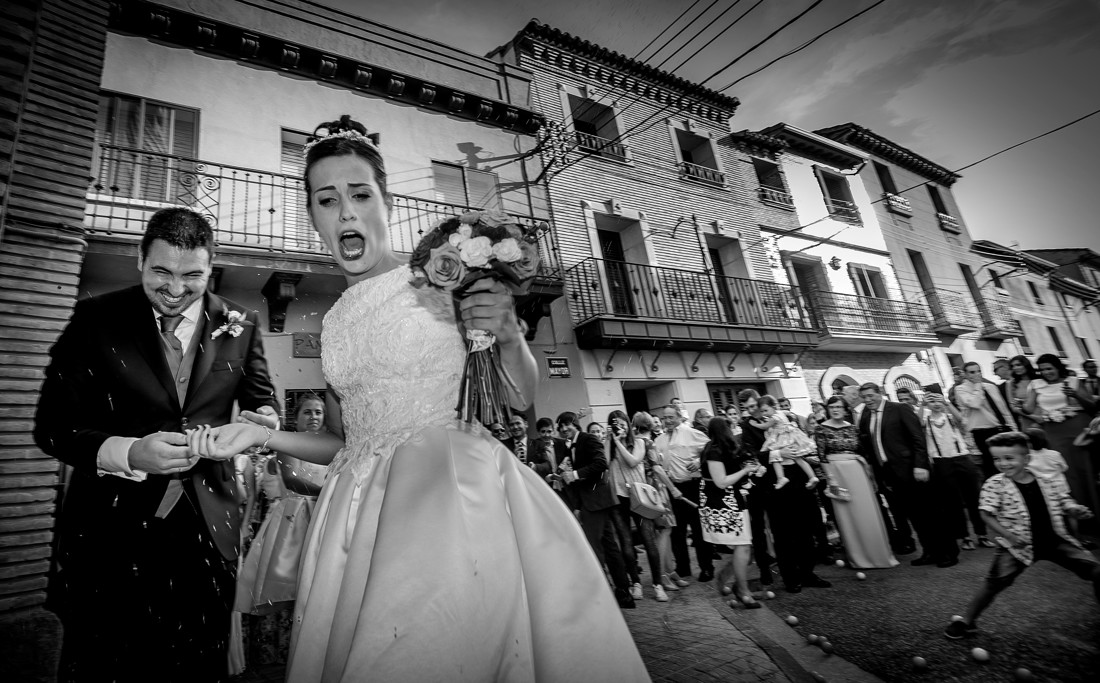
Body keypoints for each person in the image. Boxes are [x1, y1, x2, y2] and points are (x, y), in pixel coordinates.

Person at [191, 117, 647, 680]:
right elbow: (344, 441)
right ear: (311, 215)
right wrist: (264, 434)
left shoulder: (439, 281)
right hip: (354, 516)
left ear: (385, 202)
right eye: (326, 200)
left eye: (361, 195)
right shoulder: (332, 324)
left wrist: (507, 334)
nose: (346, 212)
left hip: (448, 494)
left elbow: (518, 396)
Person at [34, 207, 279, 682]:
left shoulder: (241, 323)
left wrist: (263, 421)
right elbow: (52, 426)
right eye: (161, 271)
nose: (174, 288)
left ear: (211, 268)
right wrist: (128, 452)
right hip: (110, 529)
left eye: (193, 276)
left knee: (198, 663)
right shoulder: (94, 319)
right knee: (106, 661)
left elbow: (262, 405)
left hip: (208, 528)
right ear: (139, 258)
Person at [944, 431, 1100, 640]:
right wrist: (1009, 536)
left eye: (1009, 458)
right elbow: (985, 514)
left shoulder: (1046, 480)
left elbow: (1064, 500)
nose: (1003, 464)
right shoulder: (994, 484)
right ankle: (966, 621)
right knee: (993, 583)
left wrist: (1074, 509)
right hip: (1018, 546)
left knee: (1097, 571)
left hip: (1055, 541)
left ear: (1026, 459)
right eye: (997, 459)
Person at [235, 394, 330, 669]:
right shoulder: (288, 447)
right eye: (307, 412)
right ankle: (277, 654)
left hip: (321, 518)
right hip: (293, 520)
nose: (314, 417)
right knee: (284, 584)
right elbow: (296, 480)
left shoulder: (333, 447)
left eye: (319, 412)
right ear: (296, 418)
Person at [740, 392, 831, 593]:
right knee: (783, 533)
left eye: (756, 405)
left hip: (798, 478)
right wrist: (777, 453)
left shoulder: (782, 416)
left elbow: (798, 438)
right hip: (774, 484)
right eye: (749, 408)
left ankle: (808, 573)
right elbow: (750, 455)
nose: (754, 410)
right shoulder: (747, 427)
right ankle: (791, 578)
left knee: (806, 528)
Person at [557, 411, 637, 609]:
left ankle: (601, 597)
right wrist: (576, 504)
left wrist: (575, 474)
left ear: (576, 424)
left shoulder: (588, 439)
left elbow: (601, 464)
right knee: (609, 547)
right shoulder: (569, 446)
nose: (564, 429)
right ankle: (623, 592)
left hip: (597, 500)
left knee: (594, 548)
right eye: (561, 427)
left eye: (567, 425)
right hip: (590, 502)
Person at [857, 382, 941, 562]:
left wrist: (921, 465)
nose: (868, 400)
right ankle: (928, 552)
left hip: (911, 469)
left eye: (871, 395)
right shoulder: (865, 417)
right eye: (864, 397)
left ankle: (945, 553)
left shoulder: (899, 408)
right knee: (912, 515)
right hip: (887, 473)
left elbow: (918, 438)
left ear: (879, 393)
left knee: (928, 513)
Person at [814, 396, 898, 569]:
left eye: (839, 407)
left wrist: (871, 475)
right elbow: (822, 456)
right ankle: (858, 557)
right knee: (846, 515)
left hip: (858, 472)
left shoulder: (853, 428)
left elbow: (863, 452)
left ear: (845, 410)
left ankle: (878, 554)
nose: (835, 410)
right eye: (832, 407)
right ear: (827, 409)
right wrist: (831, 479)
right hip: (836, 474)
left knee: (867, 511)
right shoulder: (821, 429)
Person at [1024, 354, 1100, 528]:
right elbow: (1028, 408)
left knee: (1085, 469)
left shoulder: (1072, 381)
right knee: (1065, 471)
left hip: (1077, 427)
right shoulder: (1036, 385)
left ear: (1058, 367)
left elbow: (1091, 406)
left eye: (1049, 368)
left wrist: (1074, 394)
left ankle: (1095, 513)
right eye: (1042, 369)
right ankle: (1079, 517)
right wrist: (1021, 405)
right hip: (1053, 430)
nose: (1046, 372)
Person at [700, 417, 764, 609]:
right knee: (743, 545)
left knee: (743, 545)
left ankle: (740, 587)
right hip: (722, 503)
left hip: (730, 501)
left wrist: (752, 469)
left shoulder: (721, 448)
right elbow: (721, 481)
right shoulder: (713, 450)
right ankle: (742, 590)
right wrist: (745, 471)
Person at [605, 410, 669, 602]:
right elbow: (605, 463)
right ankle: (636, 583)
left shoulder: (639, 442)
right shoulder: (610, 443)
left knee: (648, 540)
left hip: (639, 497)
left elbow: (633, 462)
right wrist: (610, 439)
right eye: (615, 424)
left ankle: (657, 584)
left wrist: (619, 442)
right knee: (626, 542)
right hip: (618, 497)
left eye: (622, 423)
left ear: (628, 424)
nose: (620, 427)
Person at [922, 393, 991, 555]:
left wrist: (946, 402)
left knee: (974, 497)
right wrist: (922, 405)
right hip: (941, 461)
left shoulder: (950, 417)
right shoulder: (925, 420)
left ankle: (982, 534)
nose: (936, 404)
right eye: (932, 402)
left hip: (962, 458)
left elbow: (962, 421)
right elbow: (917, 424)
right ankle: (965, 537)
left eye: (938, 401)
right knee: (953, 501)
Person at [655, 405, 714, 582]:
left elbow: (710, 448)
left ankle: (706, 568)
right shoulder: (659, 440)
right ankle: (683, 568)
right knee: (676, 531)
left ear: (679, 417)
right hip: (672, 489)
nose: (667, 421)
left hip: (693, 486)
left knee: (699, 530)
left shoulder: (691, 433)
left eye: (671, 417)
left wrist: (698, 461)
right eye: (665, 418)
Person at [632, 412, 683, 592]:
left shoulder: (636, 442)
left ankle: (670, 571)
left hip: (646, 490)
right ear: (649, 425)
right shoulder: (648, 443)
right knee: (664, 531)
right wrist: (673, 488)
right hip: (657, 490)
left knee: (662, 531)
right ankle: (662, 574)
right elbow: (657, 468)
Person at [955, 361, 1018, 479]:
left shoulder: (990, 387)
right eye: (972, 372)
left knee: (1010, 460)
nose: (977, 374)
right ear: (965, 374)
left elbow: (1003, 408)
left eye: (979, 371)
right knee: (992, 465)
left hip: (1000, 428)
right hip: (981, 432)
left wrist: (1013, 427)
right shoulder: (960, 389)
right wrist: (978, 386)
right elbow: (975, 403)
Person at [753, 395, 818, 490]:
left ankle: (781, 478)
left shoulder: (774, 418)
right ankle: (812, 477)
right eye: (762, 411)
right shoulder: (781, 412)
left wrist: (755, 424)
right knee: (799, 459)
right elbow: (789, 413)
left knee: (775, 457)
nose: (764, 414)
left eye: (766, 410)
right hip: (793, 437)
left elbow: (765, 426)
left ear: (773, 407)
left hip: (784, 438)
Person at [1005, 355, 1040, 430]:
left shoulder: (1039, 380)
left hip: (1046, 416)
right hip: (1027, 420)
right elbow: (1013, 407)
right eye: (1013, 366)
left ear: (1026, 364)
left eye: (1018, 365)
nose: (1015, 368)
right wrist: (1034, 417)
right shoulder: (1011, 384)